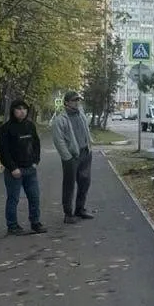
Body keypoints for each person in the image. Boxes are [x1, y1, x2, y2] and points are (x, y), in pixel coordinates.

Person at [0, 99, 46, 235]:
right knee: (13, 199)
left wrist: (36, 161)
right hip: (14, 171)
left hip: (30, 169)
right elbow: (3, 151)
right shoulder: (5, 129)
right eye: (18, 109)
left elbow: (36, 144)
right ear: (13, 111)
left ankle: (35, 222)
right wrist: (12, 168)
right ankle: (12, 226)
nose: (22, 111)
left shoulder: (30, 126)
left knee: (34, 197)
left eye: (24, 109)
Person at [51, 90, 94, 224]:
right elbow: (59, 141)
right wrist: (67, 157)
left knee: (84, 182)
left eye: (77, 100)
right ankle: (68, 214)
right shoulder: (60, 120)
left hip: (85, 153)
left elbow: (86, 131)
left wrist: (89, 146)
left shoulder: (80, 115)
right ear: (67, 103)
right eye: (74, 100)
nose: (77, 102)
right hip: (72, 157)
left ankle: (80, 209)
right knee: (69, 185)